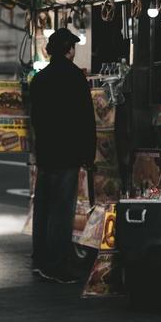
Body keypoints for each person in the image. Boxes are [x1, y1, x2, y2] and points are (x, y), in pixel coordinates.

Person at [28, 28, 96, 283]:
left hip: (46, 153)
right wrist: (88, 154)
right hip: (68, 153)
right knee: (61, 210)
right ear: (69, 49)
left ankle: (40, 259)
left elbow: (35, 119)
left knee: (43, 207)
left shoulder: (40, 79)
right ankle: (56, 265)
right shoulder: (74, 78)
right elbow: (85, 119)